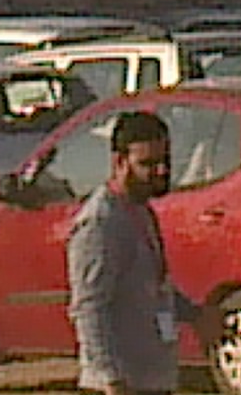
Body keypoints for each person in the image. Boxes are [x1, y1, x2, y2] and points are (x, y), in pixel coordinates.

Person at [68, 110, 198, 395]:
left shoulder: (140, 210)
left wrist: (196, 315)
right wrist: (109, 378)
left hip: (153, 378)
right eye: (147, 164)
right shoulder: (101, 223)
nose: (160, 171)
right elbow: (89, 307)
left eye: (164, 161)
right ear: (119, 162)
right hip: (120, 384)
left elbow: (149, 286)